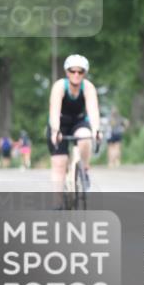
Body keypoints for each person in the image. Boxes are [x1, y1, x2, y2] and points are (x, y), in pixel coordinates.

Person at [48, 54, 102, 197]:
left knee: (85, 137)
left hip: (78, 122)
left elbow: (93, 111)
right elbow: (54, 111)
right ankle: (58, 202)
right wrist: (55, 131)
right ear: (67, 72)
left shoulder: (88, 87)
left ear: (85, 73)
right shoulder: (60, 86)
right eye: (73, 71)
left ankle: (84, 169)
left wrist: (96, 130)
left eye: (80, 71)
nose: (76, 74)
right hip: (60, 123)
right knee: (60, 163)